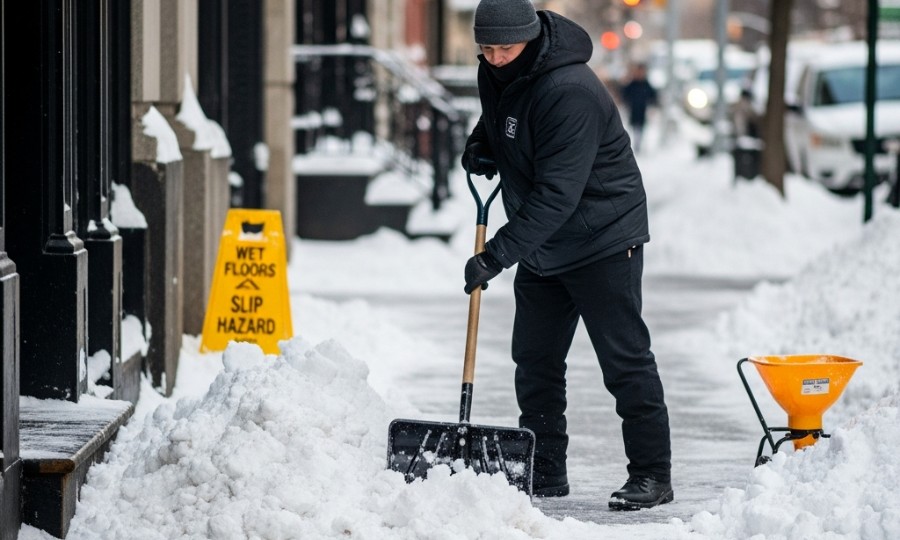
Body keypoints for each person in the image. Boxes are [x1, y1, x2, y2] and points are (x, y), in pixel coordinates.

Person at [460, 0, 673, 510]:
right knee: (534, 361)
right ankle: (545, 469)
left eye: (504, 48)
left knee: (623, 361)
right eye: (484, 49)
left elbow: (559, 195)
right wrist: (482, 142)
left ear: (530, 39)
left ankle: (652, 475)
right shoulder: (499, 68)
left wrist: (497, 254)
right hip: (545, 246)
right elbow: (502, 116)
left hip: (601, 239)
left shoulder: (569, 91)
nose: (493, 58)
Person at [619, 63, 657, 153]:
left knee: (641, 129)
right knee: (633, 129)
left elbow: (653, 96)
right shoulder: (632, 84)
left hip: (642, 110)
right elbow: (624, 94)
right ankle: (634, 146)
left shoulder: (646, 85)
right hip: (633, 110)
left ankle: (639, 146)